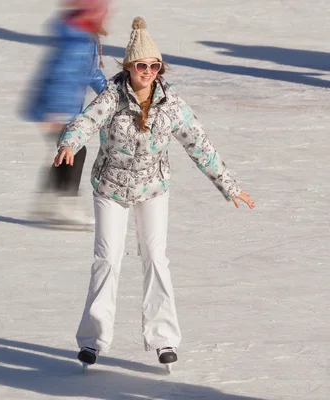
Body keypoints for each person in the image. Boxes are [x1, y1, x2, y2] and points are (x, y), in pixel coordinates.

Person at [54, 17, 255, 368]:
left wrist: (230, 186)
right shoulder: (112, 97)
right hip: (111, 188)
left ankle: (164, 339)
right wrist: (69, 143)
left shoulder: (171, 105)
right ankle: (92, 340)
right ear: (129, 66)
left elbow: (200, 146)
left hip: (152, 190)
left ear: (160, 68)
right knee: (107, 259)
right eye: (141, 65)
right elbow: (85, 121)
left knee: (156, 259)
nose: (147, 71)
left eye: (154, 65)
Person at [21, 0, 110, 226]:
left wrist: (110, 93)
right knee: (74, 151)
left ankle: (47, 200)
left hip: (64, 108)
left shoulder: (84, 38)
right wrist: (56, 112)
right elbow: (61, 76)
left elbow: (91, 72)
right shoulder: (75, 41)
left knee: (67, 151)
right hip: (58, 108)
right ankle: (66, 204)